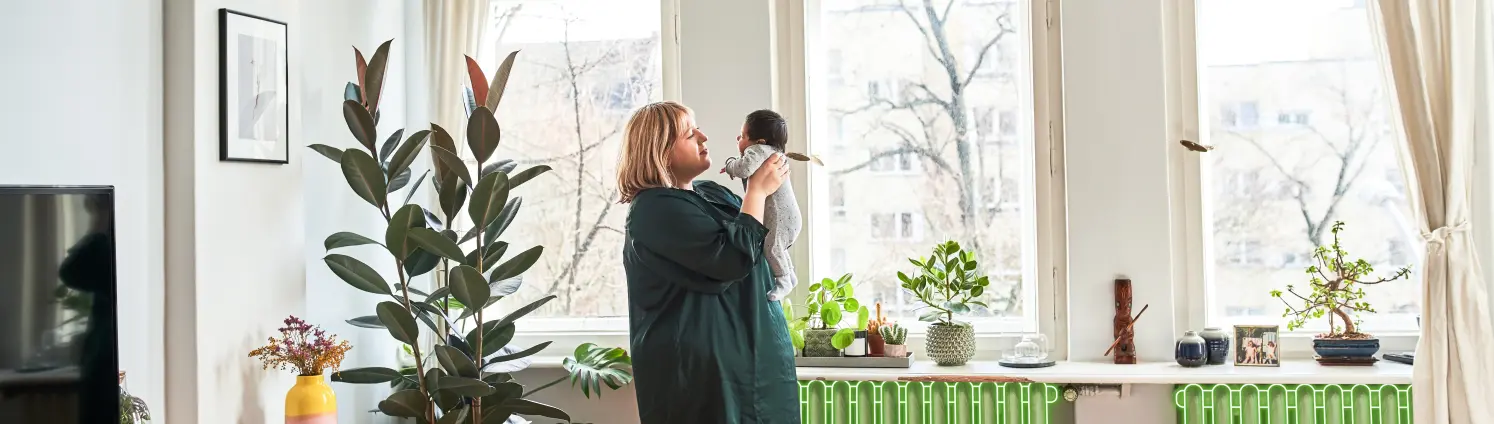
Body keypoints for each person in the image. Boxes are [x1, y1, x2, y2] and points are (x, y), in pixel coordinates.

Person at [617, 101, 800, 423]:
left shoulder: (712, 193)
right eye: (690, 134)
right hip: (703, 378)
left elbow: (762, 238)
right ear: (659, 150)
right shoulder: (655, 209)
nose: (704, 137)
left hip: (760, 364)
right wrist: (756, 192)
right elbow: (731, 261)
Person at [720, 110, 802, 301]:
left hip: (780, 218)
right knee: (778, 246)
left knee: (772, 247)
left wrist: (730, 164)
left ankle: (783, 282)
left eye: (742, 136)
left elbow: (744, 168)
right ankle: (789, 274)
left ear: (760, 142)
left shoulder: (756, 151)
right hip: (789, 217)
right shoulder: (775, 153)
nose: (738, 138)